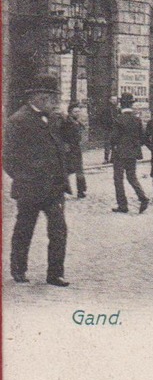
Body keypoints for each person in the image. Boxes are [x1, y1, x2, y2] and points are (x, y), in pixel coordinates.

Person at [3, 73, 71, 286]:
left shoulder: (54, 118)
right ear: (38, 98)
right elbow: (8, 157)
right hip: (30, 187)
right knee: (25, 228)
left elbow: (71, 141)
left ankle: (55, 274)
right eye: (52, 98)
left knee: (59, 230)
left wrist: (67, 120)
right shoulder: (18, 120)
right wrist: (25, 177)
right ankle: (18, 269)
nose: (55, 102)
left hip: (53, 188)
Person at [110, 92, 149, 214]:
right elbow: (143, 137)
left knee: (118, 179)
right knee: (132, 177)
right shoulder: (137, 120)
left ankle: (123, 205)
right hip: (133, 152)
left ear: (121, 105)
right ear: (131, 105)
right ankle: (143, 198)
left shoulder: (118, 119)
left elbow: (113, 138)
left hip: (119, 153)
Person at [59, 102, 87, 199]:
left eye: (79, 111)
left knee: (78, 170)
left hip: (76, 148)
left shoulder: (77, 122)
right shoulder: (66, 122)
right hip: (69, 149)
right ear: (70, 112)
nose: (78, 113)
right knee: (68, 170)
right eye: (75, 112)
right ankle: (63, 189)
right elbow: (63, 135)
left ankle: (81, 191)